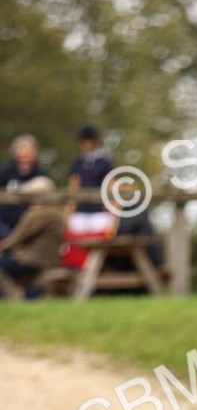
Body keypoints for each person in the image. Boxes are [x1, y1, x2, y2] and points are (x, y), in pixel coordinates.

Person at [0, 176, 65, 299]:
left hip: (32, 260)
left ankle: (16, 297)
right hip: (50, 260)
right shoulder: (57, 212)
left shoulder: (40, 213)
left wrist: (4, 246)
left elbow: (17, 237)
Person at [63, 123, 115, 267]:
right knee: (74, 242)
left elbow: (110, 186)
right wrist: (67, 214)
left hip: (99, 211)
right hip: (80, 211)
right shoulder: (78, 162)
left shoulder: (104, 162)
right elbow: (74, 187)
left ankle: (96, 272)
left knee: (98, 242)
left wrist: (112, 213)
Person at [0, 135, 49, 237]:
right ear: (16, 152)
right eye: (23, 149)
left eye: (29, 150)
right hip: (6, 222)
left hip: (30, 223)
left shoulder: (41, 174)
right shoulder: (6, 172)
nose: (26, 153)